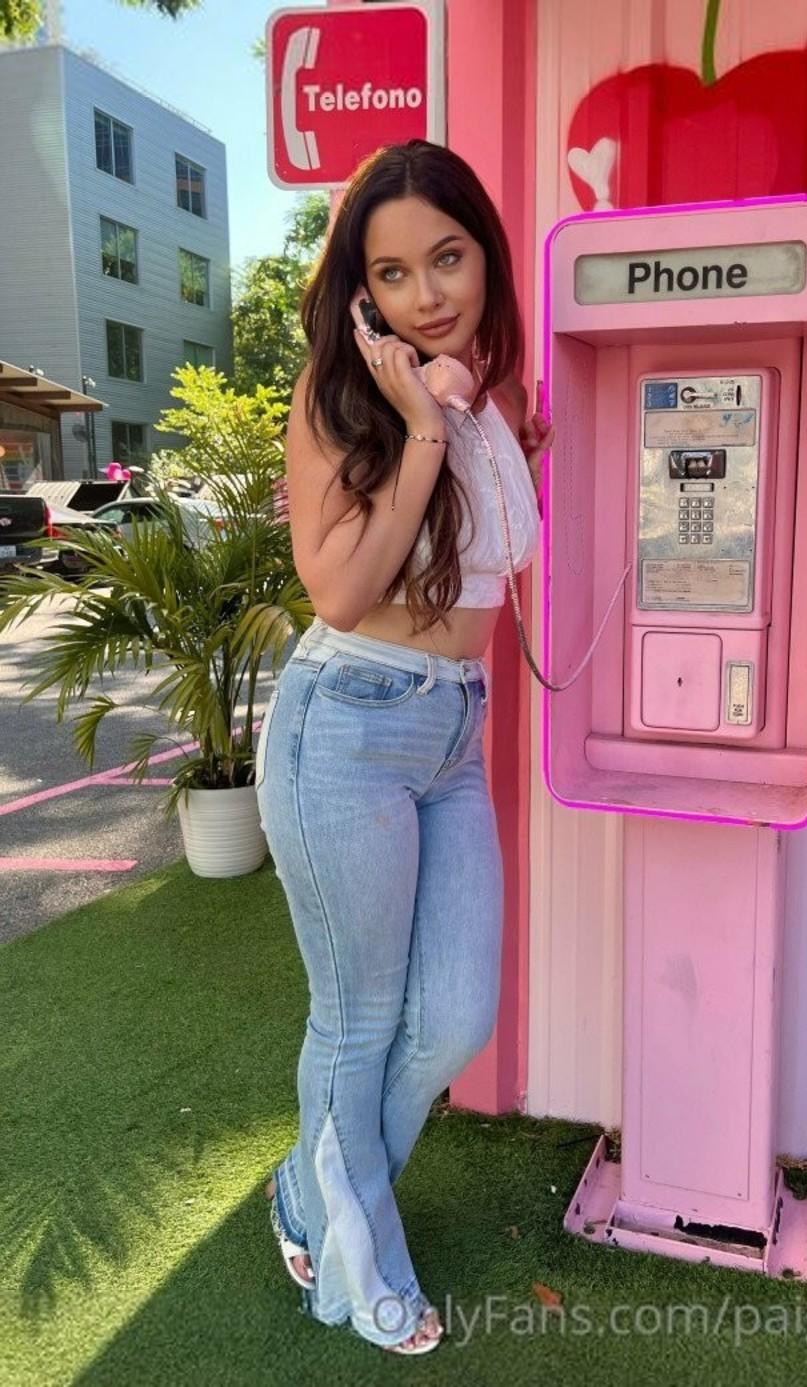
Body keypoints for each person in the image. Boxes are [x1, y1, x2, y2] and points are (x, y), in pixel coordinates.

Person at [254, 138, 554, 1356]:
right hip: (347, 723)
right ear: (360, 288)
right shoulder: (341, 398)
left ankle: (304, 1187)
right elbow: (340, 589)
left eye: (449, 257)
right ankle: (359, 1267)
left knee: (456, 1017)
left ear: (486, 256)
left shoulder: (497, 396)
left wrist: (490, 432)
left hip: (453, 729)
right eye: (392, 272)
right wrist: (422, 427)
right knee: (361, 1016)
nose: (427, 293)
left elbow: (490, 560)